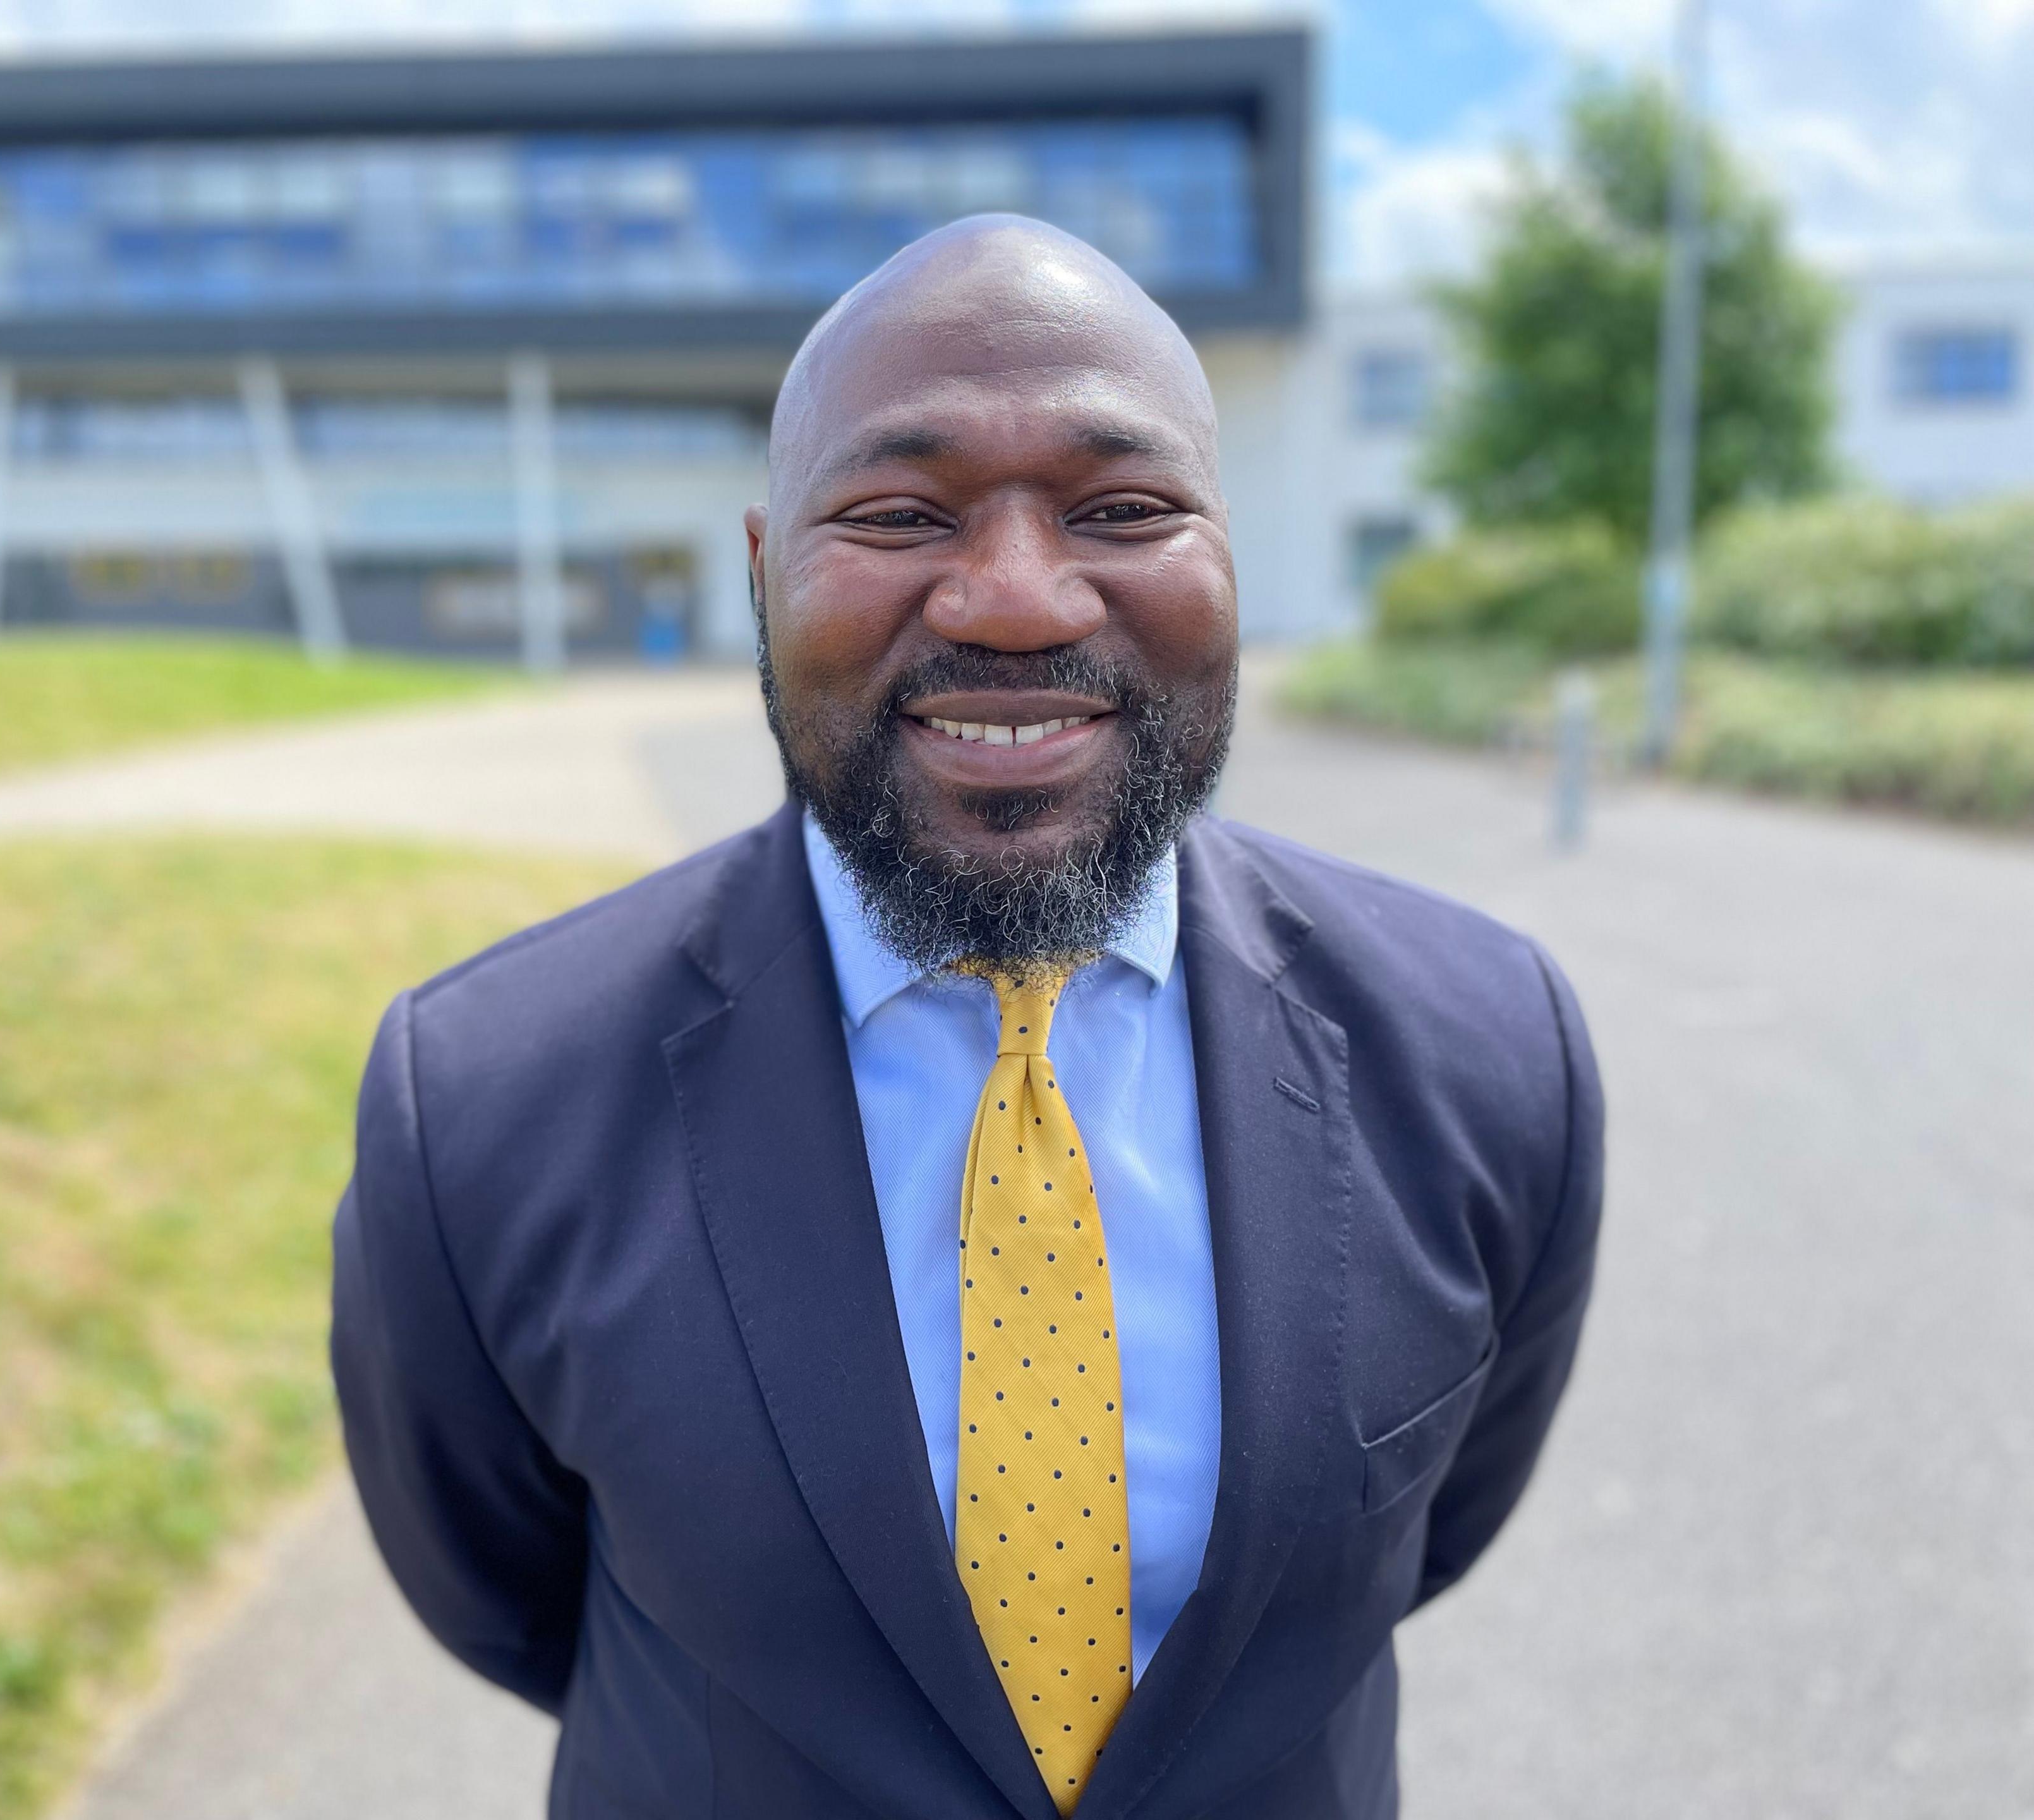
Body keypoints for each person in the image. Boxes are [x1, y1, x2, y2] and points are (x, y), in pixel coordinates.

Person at [331, 215, 1603, 1820]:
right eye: (900, 512)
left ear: (1229, 555)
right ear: (760, 574)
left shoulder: (1492, 1050)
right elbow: (501, 1592)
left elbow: (1427, 1532)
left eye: (1124, 508)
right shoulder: (482, 1100)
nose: (1012, 599)